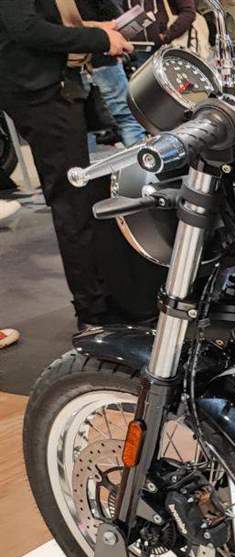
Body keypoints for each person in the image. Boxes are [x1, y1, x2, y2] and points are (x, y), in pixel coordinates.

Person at [0, 0, 134, 329]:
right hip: (39, 89)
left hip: (54, 85)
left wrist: (95, 29)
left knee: (79, 199)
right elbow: (26, 29)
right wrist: (98, 39)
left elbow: (39, 21)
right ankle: (93, 313)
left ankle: (100, 303)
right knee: (72, 203)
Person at [83, 0, 146, 147]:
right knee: (127, 118)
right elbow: (111, 13)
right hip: (103, 55)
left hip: (72, 61)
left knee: (83, 123)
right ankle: (139, 159)